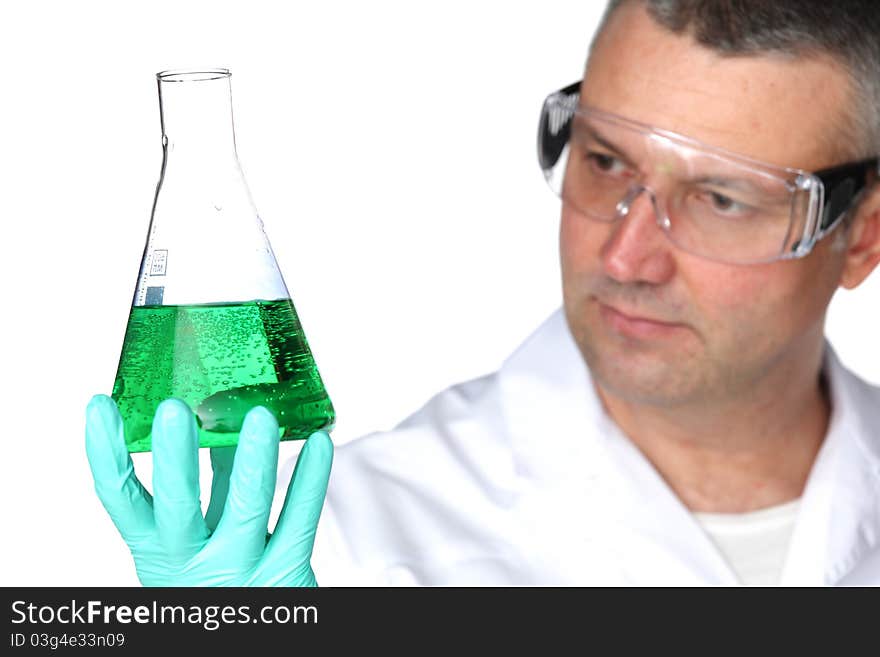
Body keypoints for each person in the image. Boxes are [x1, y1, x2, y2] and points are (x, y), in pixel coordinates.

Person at [86, 0, 880, 586]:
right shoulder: (345, 545)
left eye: (722, 199)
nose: (627, 254)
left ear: (863, 237)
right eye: (604, 161)